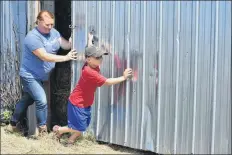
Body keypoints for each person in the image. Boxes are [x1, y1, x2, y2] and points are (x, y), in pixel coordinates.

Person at [52, 33, 133, 146]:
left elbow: (88, 51)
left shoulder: (91, 64)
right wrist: (124, 77)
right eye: (97, 57)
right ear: (89, 60)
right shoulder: (89, 72)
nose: (100, 59)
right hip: (77, 103)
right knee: (77, 127)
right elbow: (108, 82)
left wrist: (90, 41)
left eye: (101, 56)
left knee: (82, 126)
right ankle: (59, 130)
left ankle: (70, 141)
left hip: (85, 103)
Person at [5, 10, 78, 136]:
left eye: (52, 24)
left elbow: (66, 45)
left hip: (41, 76)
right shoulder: (32, 38)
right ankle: (43, 132)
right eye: (47, 25)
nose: (50, 27)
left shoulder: (54, 33)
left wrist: (74, 39)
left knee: (27, 100)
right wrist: (66, 58)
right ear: (38, 22)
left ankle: (12, 124)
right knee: (42, 101)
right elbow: (44, 56)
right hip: (29, 75)